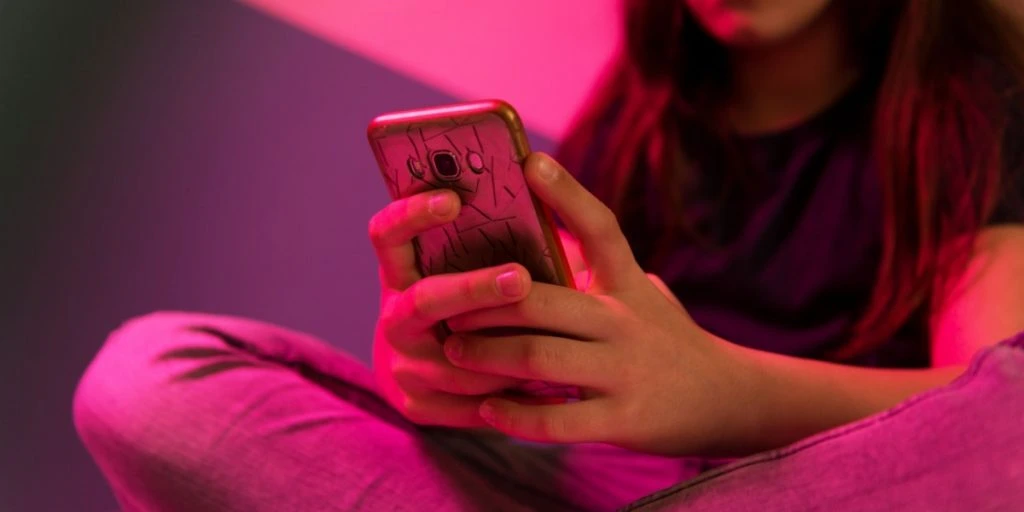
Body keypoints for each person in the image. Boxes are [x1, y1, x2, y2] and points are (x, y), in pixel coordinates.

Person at [74, 0, 1024, 510]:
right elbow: (571, 405)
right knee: (148, 376)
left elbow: (988, 396)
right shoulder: (647, 115)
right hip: (612, 478)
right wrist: (452, 380)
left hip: (835, 481)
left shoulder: (974, 102)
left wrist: (722, 392)